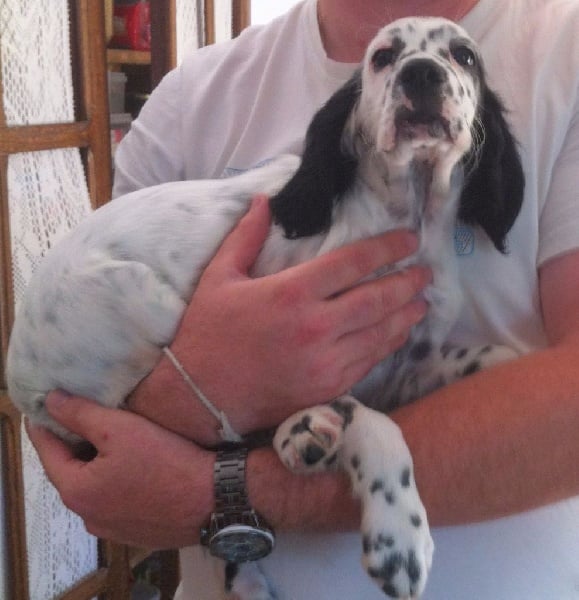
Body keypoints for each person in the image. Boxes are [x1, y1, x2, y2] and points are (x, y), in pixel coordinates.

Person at [26, 0, 579, 598]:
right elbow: (98, 454)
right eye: (386, 59)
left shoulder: (563, 47)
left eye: (460, 58)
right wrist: (207, 383)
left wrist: (228, 487)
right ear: (353, 124)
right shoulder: (188, 98)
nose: (422, 71)